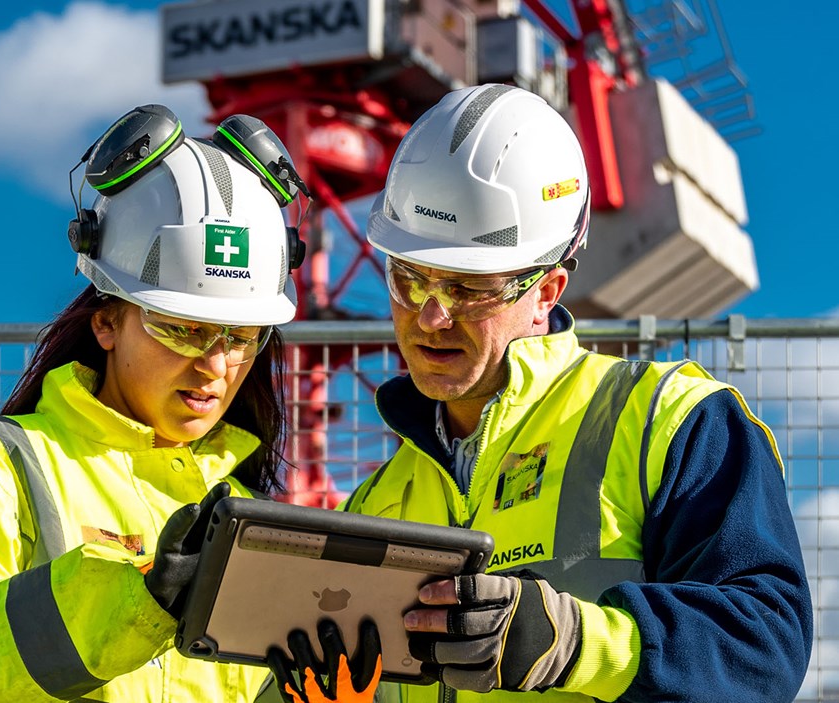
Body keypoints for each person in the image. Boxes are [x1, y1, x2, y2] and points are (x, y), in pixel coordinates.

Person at [0, 104, 378, 703]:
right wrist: (133, 599)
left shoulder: (246, 512)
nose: (215, 365)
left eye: (240, 338)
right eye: (181, 328)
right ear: (107, 321)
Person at [342, 84, 813, 701]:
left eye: (467, 289)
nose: (429, 317)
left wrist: (572, 643)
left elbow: (765, 650)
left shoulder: (670, 423)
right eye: (410, 279)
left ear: (546, 290)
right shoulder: (375, 502)